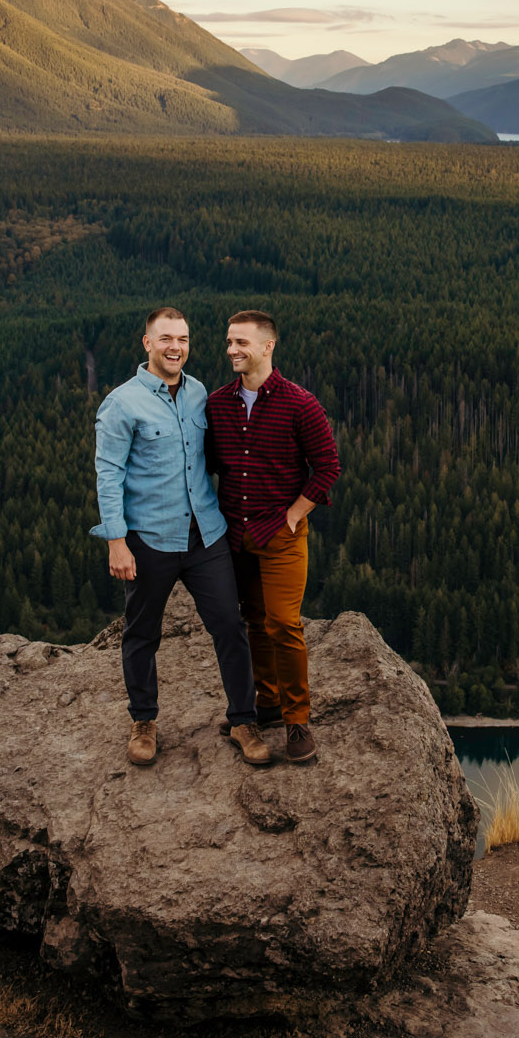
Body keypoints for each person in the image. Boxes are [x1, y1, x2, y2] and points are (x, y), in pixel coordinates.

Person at [92, 307, 272, 768]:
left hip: (205, 536)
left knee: (229, 627)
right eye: (166, 338)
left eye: (184, 339)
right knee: (141, 633)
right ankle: (144, 721)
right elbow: (108, 473)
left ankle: (243, 720)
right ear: (147, 343)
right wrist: (116, 540)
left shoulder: (198, 394)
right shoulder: (122, 403)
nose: (176, 347)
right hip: (150, 539)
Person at [207, 310, 341, 765]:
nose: (232, 350)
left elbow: (327, 468)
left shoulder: (300, 403)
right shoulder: (218, 404)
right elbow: (205, 464)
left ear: (268, 347)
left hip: (280, 534)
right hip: (235, 535)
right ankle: (265, 703)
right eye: (229, 342)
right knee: (253, 621)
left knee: (284, 624)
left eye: (241, 342)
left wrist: (293, 516)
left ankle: (297, 719)